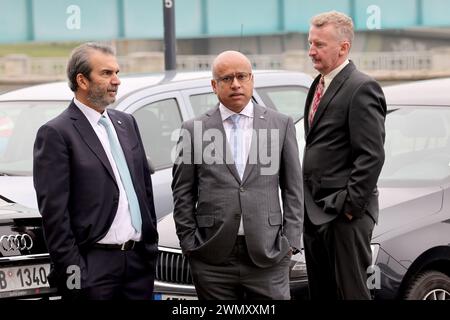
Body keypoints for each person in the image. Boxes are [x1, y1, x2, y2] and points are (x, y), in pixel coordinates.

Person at [172, 50, 304, 300]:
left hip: (268, 255)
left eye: (241, 76)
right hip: (212, 258)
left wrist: (291, 241)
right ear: (214, 85)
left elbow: (293, 188)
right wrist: (189, 244)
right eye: (226, 78)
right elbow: (182, 192)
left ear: (252, 79)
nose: (235, 84)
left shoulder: (280, 124)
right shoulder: (193, 129)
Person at [33, 43, 158, 300]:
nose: (116, 81)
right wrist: (75, 273)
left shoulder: (126, 123)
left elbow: (143, 188)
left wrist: (149, 248)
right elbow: (55, 216)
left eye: (117, 72)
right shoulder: (57, 133)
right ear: (82, 80)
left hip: (137, 265)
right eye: (106, 73)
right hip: (93, 269)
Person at [302, 11, 386, 300]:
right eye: (310, 43)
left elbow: (371, 156)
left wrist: (349, 207)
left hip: (343, 216)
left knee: (352, 294)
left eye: (319, 44)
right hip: (314, 213)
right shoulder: (318, 84)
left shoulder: (362, 87)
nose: (311, 51)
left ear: (343, 47)